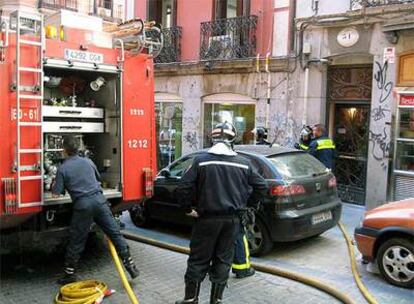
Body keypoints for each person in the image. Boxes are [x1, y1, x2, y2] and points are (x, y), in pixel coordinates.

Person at [175, 122, 268, 304]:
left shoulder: (200, 160)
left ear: (213, 138)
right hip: (232, 221)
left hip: (206, 219)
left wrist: (188, 208)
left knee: (198, 259)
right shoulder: (244, 163)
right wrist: (249, 205)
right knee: (223, 260)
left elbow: (183, 187)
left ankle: (191, 299)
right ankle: (216, 300)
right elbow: (262, 186)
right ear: (233, 139)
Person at [52, 135, 140, 285]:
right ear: (78, 148)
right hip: (100, 201)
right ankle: (131, 266)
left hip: (83, 206)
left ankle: (69, 274)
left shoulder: (63, 168)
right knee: (114, 232)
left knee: (77, 240)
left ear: (63, 150)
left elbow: (56, 194)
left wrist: (55, 183)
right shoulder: (88, 162)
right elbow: (97, 179)